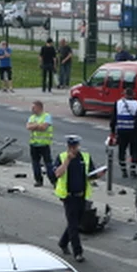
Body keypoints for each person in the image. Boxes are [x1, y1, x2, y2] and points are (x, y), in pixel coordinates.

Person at [54, 135, 95, 263]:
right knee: (73, 225)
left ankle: (63, 242)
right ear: (67, 146)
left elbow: (90, 175)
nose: (73, 149)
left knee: (76, 222)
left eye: (75, 146)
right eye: (71, 147)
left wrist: (97, 175)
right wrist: (67, 161)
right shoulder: (61, 157)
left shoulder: (85, 157)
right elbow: (57, 174)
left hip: (82, 195)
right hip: (68, 196)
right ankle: (78, 252)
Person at [110, 87, 137, 178]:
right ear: (133, 94)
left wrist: (113, 131)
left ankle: (123, 170)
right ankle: (133, 170)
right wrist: (136, 130)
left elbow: (113, 119)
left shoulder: (118, 103)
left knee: (121, 151)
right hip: (133, 132)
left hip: (121, 131)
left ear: (124, 94)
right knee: (134, 151)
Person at [25, 100, 56, 188]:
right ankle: (38, 180)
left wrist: (35, 126)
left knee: (48, 164)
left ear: (39, 107)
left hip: (44, 144)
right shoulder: (32, 117)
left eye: (33, 107)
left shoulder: (47, 116)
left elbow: (44, 127)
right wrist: (38, 125)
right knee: (35, 163)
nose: (32, 109)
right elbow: (28, 126)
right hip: (34, 144)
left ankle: (53, 180)